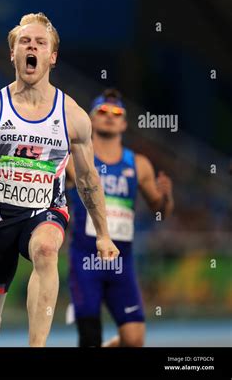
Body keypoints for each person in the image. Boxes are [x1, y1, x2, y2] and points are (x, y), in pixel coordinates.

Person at [0, 13, 120, 347]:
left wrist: (103, 234)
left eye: (40, 43)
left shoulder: (72, 116)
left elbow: (87, 179)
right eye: (24, 42)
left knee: (46, 250)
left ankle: (36, 346)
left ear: (52, 56)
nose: (32, 47)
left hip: (46, 212)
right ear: (12, 53)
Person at [65, 88, 174, 347]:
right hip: (85, 262)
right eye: (102, 111)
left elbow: (160, 211)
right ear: (90, 119)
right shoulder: (76, 158)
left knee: (134, 340)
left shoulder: (138, 164)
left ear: (124, 122)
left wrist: (166, 197)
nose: (109, 116)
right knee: (89, 338)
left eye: (117, 113)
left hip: (121, 264)